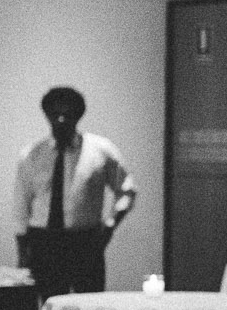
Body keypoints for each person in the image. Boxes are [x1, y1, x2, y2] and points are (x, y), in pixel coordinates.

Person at [13, 86, 136, 298]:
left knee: (90, 306)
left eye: (67, 114)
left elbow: (127, 190)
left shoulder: (100, 150)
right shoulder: (32, 154)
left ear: (78, 115)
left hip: (85, 241)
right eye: (55, 114)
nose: (61, 120)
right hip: (44, 242)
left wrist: (110, 225)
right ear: (47, 115)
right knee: (49, 308)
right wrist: (23, 250)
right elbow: (21, 204)